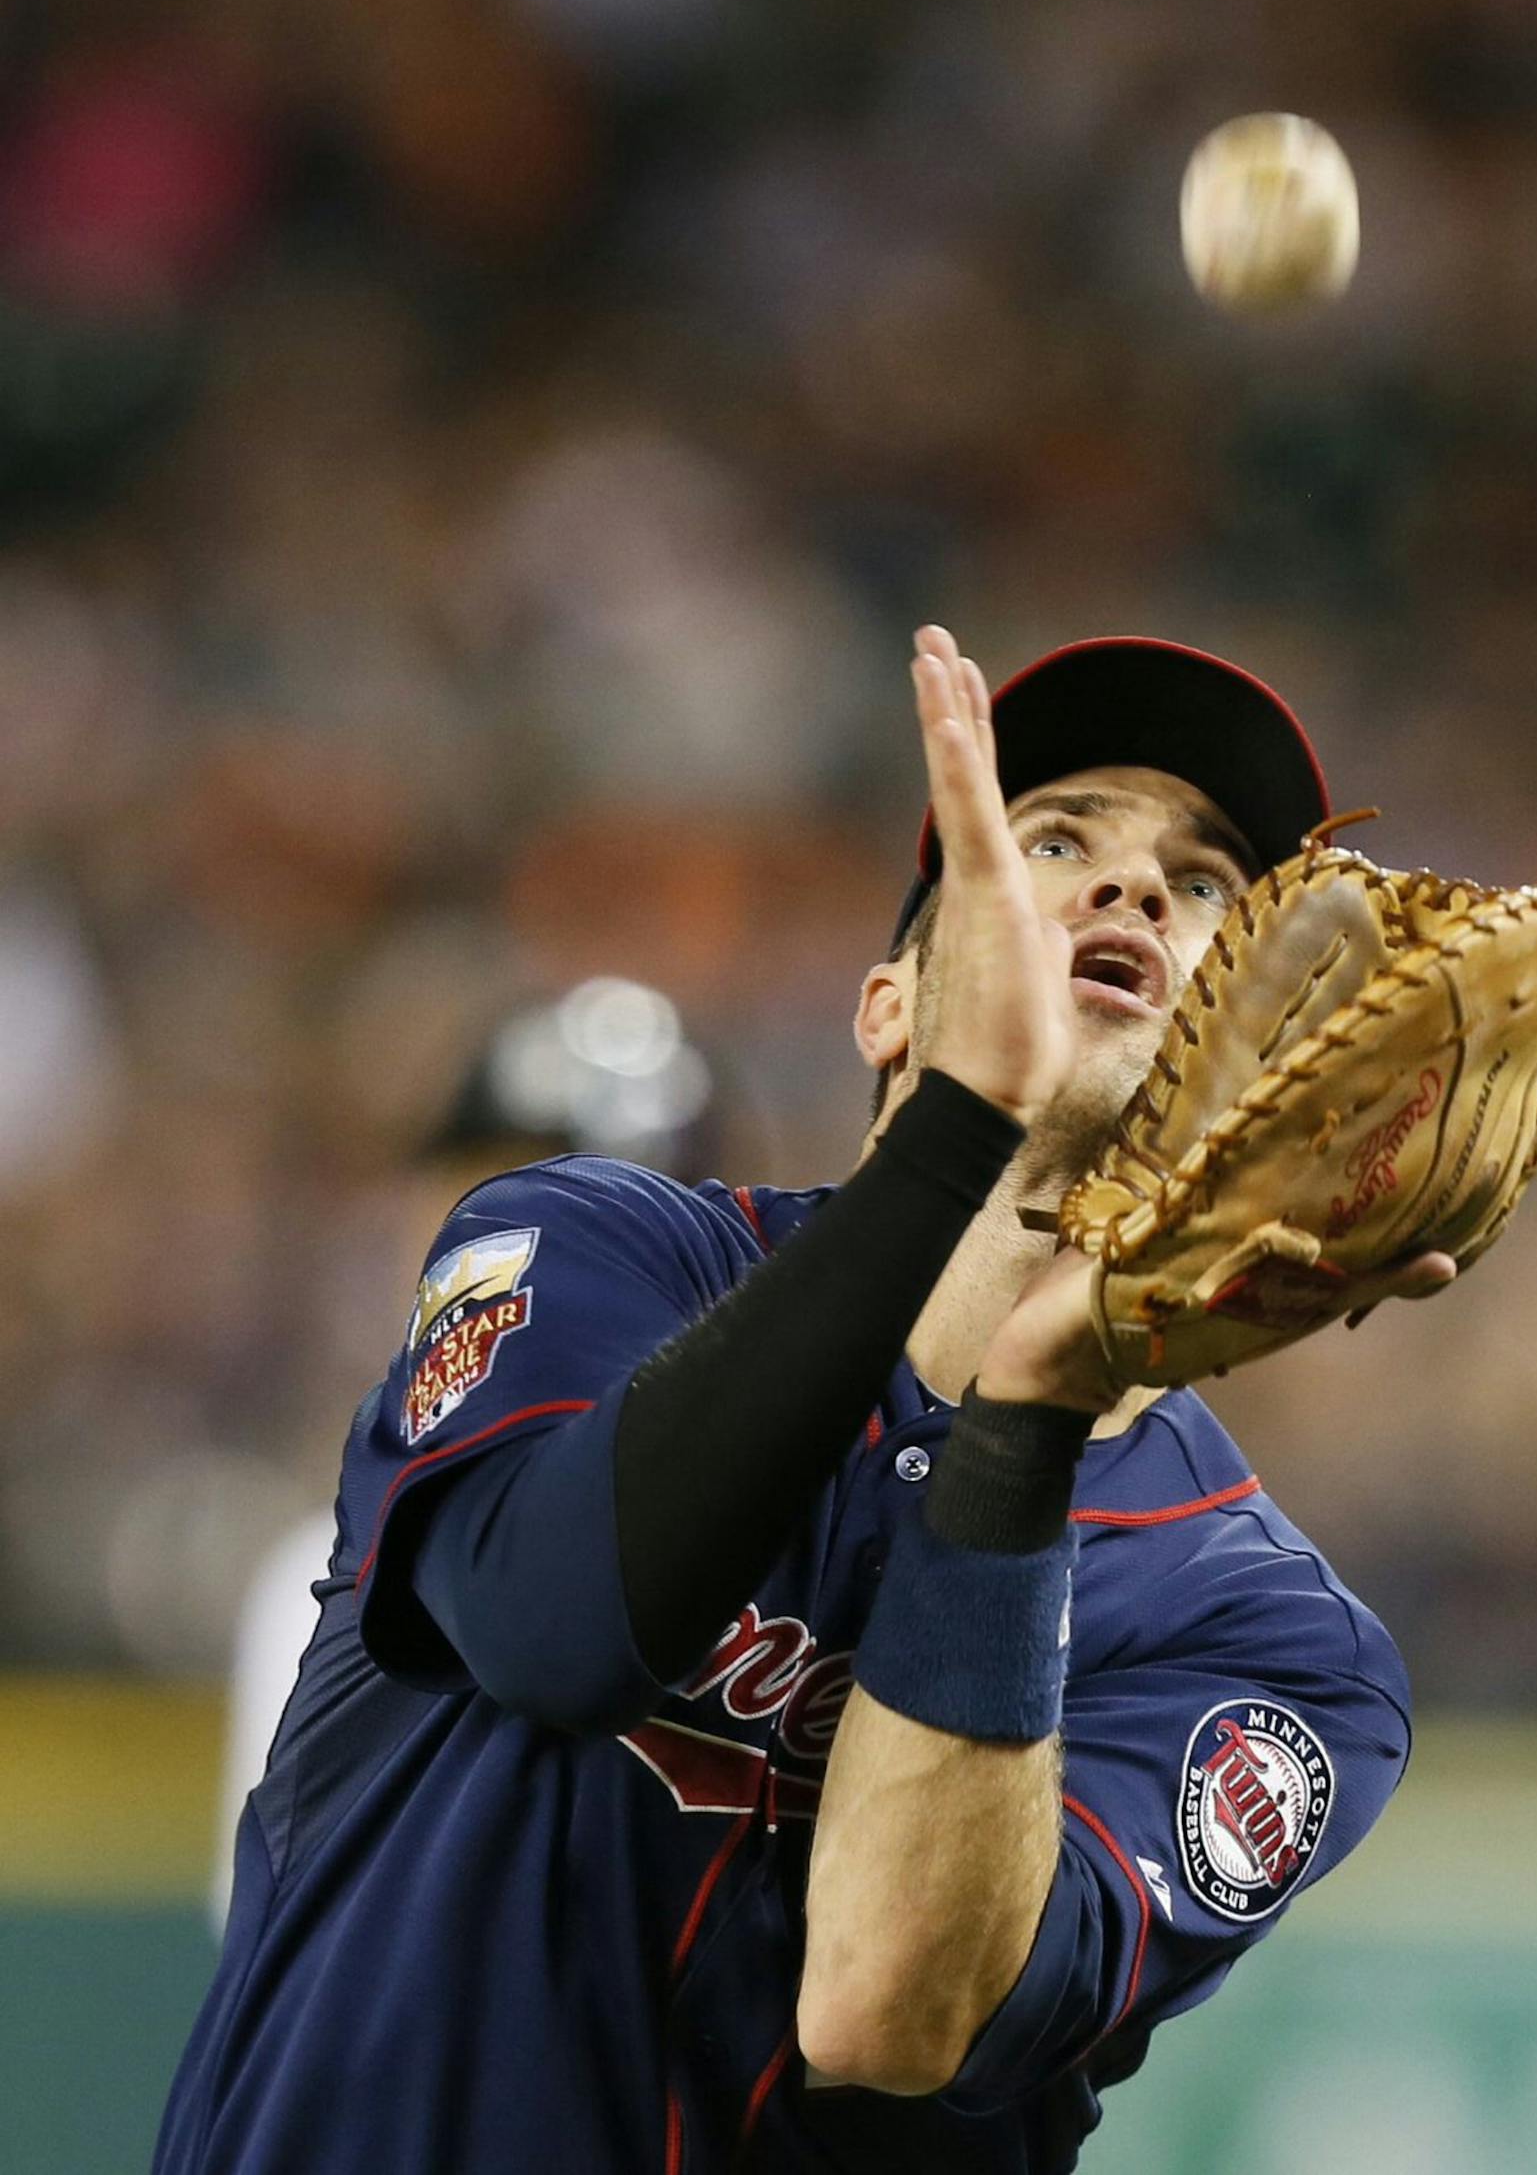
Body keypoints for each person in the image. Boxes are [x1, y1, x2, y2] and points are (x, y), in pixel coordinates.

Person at [155, 628, 1454, 2175]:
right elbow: (557, 1624)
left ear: (1259, 1082)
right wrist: (963, 1130)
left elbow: (890, 2008)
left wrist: (1029, 1412)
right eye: (1057, 840)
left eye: (1206, 887)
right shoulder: (600, 1248)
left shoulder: (1273, 1641)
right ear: (892, 1006)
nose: (1139, 892)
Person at [206, 979, 725, 1933]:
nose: (549, 1261)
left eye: (607, 1218)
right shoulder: (319, 1586)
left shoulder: (831, 1552)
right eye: (496, 1202)